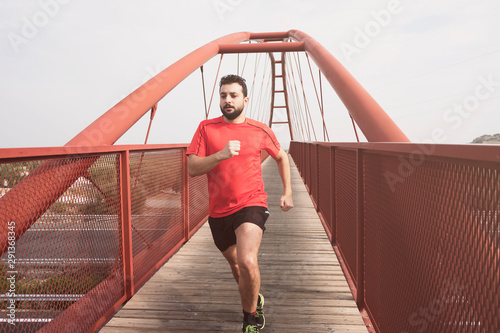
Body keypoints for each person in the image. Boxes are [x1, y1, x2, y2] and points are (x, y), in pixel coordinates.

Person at [186, 74, 294, 332]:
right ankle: (254, 298)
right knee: (236, 265)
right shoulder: (205, 128)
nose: (227, 100)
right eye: (223, 95)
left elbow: (281, 157)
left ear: (245, 99)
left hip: (251, 203)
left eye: (233, 95)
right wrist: (220, 155)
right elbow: (192, 168)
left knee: (246, 260)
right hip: (218, 211)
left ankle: (251, 319)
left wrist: (288, 191)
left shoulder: (259, 130)